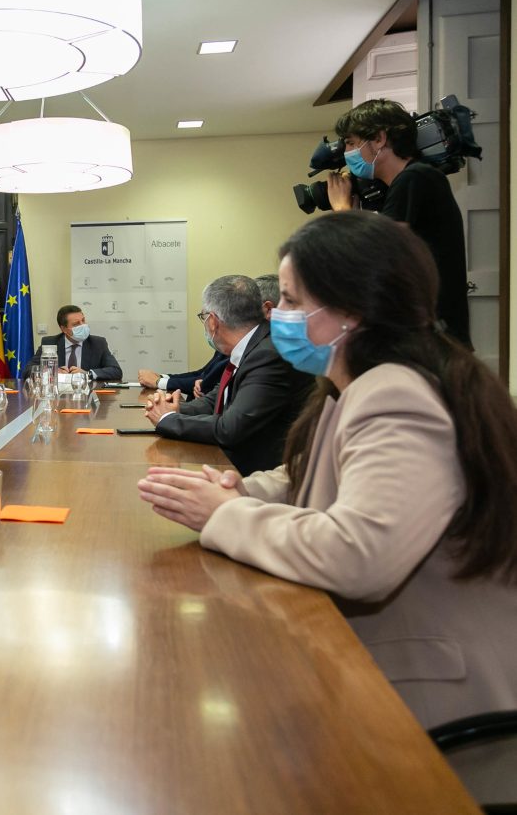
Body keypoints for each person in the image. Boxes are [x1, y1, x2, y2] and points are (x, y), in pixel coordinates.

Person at [138, 212, 517, 729]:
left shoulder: (397, 393)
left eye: (293, 301)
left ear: (352, 310)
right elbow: (310, 475)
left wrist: (225, 516)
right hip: (378, 663)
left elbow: (358, 554)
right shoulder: (356, 384)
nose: (278, 316)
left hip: (428, 699)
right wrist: (239, 488)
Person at [326, 98, 471, 347]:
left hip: (435, 337)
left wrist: (341, 211)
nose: (348, 152)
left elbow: (375, 256)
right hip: (434, 333)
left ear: (379, 139)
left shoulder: (414, 178)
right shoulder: (412, 181)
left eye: (351, 142)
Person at [144, 275, 311, 475]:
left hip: (261, 477)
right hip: (232, 464)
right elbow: (215, 400)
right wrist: (178, 408)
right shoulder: (251, 346)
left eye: (204, 317)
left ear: (213, 321)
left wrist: (168, 419)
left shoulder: (269, 353)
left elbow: (230, 428)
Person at [138, 274, 278, 398]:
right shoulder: (238, 345)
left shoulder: (264, 353)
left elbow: (231, 421)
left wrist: (160, 385)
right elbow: (209, 389)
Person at [23, 305, 122, 380]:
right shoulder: (50, 343)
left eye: (83, 320)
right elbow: (27, 371)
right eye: (76, 324)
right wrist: (53, 372)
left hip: (87, 396)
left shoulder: (98, 343)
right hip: (58, 397)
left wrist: (88, 374)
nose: (83, 325)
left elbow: (116, 371)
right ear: (64, 329)